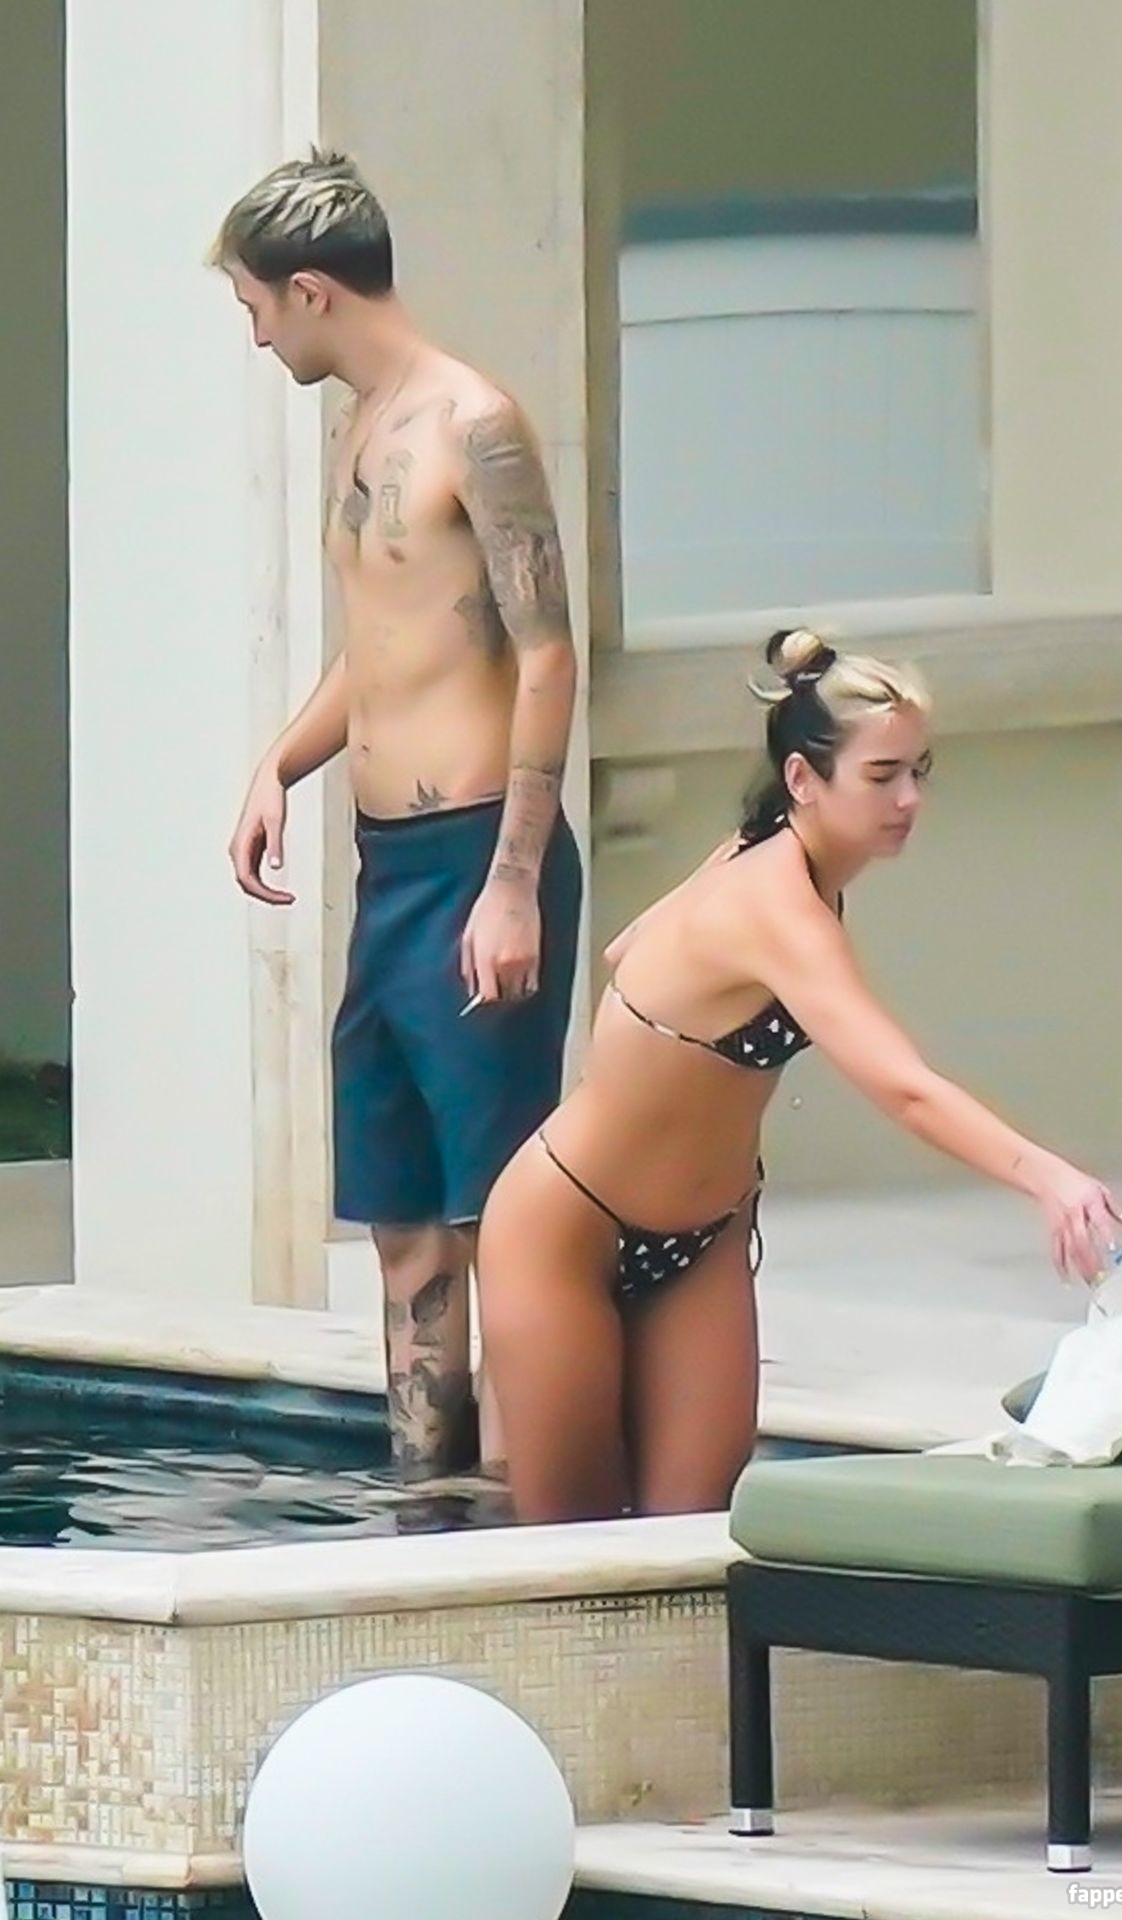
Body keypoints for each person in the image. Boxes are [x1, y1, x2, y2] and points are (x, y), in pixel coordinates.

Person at [477, 628, 1122, 1525]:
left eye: (918, 771)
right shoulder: (773, 903)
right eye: (881, 775)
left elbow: (627, 947)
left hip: (705, 1239)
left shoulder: (771, 858)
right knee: (569, 1549)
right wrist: (1047, 1178)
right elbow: (902, 1086)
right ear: (802, 778)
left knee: (697, 1539)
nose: (908, 799)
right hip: (565, 1230)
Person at [211, 150, 582, 1485]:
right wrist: (281, 763)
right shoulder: (364, 427)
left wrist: (513, 882)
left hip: (477, 855)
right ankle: (423, 1506)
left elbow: (546, 653)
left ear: (312, 291)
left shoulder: (476, 425)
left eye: (258, 307)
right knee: (405, 1221)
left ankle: (538, 1521)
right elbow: (381, 643)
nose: (258, 336)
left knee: (501, 1217)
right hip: (388, 869)